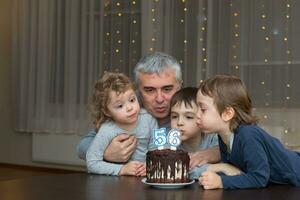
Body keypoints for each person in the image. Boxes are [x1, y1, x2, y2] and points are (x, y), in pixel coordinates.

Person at [76, 52, 220, 167]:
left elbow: (230, 139)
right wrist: (106, 153)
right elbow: (82, 146)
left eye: (167, 89)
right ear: (138, 90)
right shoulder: (129, 113)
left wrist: (213, 153)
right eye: (149, 90)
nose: (159, 99)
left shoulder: (195, 111)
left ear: (179, 86)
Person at [196, 74, 300, 189]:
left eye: (203, 109)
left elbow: (259, 178)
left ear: (227, 113)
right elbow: (239, 173)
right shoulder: (223, 136)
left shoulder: (248, 135)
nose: (197, 115)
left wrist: (221, 182)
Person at [86, 72, 158, 176]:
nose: (130, 108)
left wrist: (150, 166)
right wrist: (122, 169)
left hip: (145, 180)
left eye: (132, 100)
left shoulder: (149, 120)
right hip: (116, 185)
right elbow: (92, 163)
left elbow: (157, 151)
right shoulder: (107, 130)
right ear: (107, 111)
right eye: (120, 106)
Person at [169, 87, 240, 180]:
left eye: (189, 117)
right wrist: (221, 167)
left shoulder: (214, 138)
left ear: (200, 117)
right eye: (174, 116)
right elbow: (173, 169)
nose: (179, 122)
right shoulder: (167, 140)